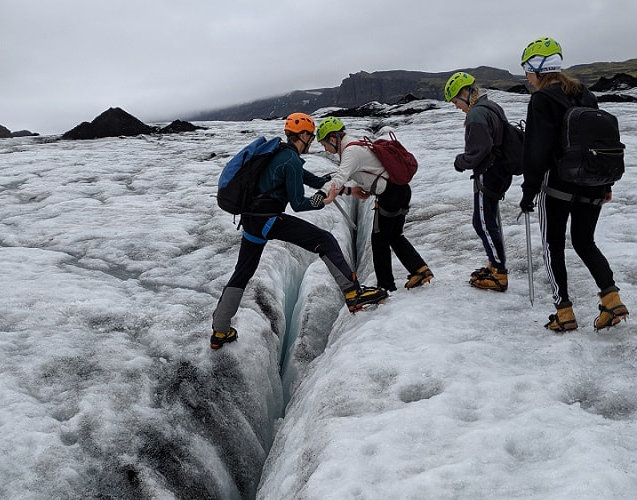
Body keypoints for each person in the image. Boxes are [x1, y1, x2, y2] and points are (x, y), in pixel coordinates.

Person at [210, 113, 386, 349]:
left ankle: (220, 330)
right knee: (324, 240)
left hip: (252, 221)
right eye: (311, 137)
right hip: (269, 221)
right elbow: (298, 204)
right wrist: (321, 200)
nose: (312, 142)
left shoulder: (279, 155)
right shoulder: (290, 161)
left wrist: (341, 186)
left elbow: (312, 180)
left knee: (242, 273)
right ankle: (353, 293)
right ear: (302, 135)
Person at [519, 37, 628, 331]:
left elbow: (536, 149)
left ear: (539, 70)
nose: (526, 78)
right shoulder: (586, 95)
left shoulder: (542, 100)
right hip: (593, 182)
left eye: (527, 71)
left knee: (553, 245)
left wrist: (529, 191)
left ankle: (564, 311)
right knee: (584, 241)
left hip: (558, 186)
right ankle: (611, 298)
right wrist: (605, 186)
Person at [316, 116, 433, 292]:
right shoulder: (354, 147)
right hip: (401, 191)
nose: (324, 148)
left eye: (324, 143)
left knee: (379, 241)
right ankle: (420, 270)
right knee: (394, 235)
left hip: (390, 195)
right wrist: (351, 190)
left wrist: (322, 193)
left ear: (333, 138)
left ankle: (385, 286)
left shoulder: (350, 152)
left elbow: (340, 177)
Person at [445, 72, 513, 292]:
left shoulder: (476, 114)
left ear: (465, 93)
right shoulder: (491, 107)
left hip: (489, 173)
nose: (456, 106)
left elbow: (479, 150)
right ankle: (494, 264)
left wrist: (460, 162)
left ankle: (499, 273)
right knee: (487, 220)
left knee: (482, 222)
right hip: (501, 170)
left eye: (455, 101)